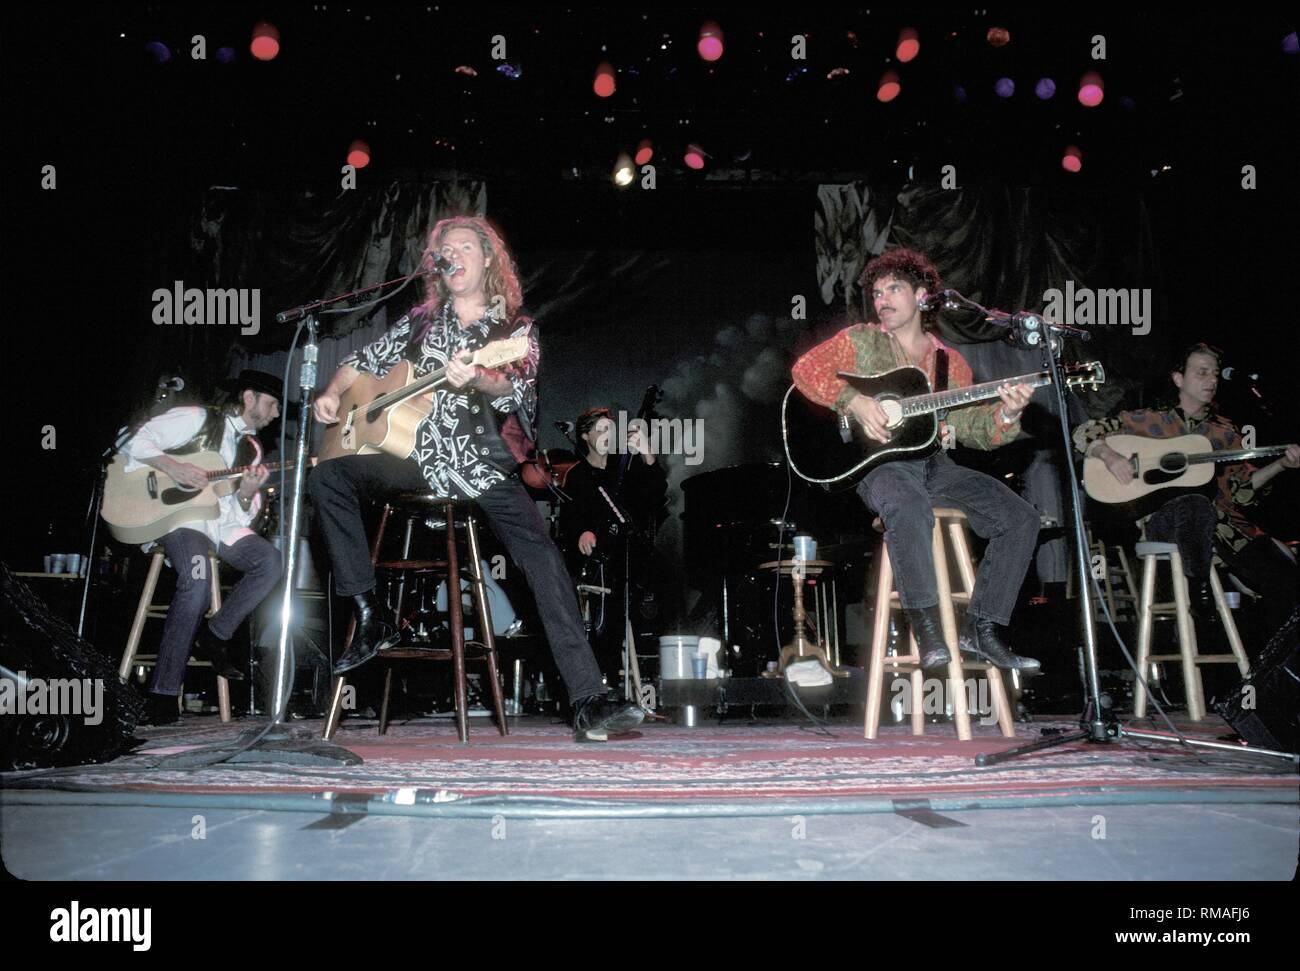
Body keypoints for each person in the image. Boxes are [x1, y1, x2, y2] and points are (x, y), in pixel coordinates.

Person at [308, 215, 644, 742]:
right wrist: (332, 392)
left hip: (478, 463)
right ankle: (371, 612)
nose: (454, 253)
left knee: (541, 558)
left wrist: (481, 377)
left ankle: (588, 699)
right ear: (438, 266)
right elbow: (360, 360)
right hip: (415, 458)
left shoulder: (514, 331)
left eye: (465, 245)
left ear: (488, 260)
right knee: (327, 478)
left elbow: (514, 390)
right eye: (445, 247)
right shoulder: (422, 321)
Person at [791, 247, 1041, 671]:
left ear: (923, 296)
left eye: (893, 289)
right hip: (880, 467)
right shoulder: (860, 341)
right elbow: (806, 370)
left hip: (935, 466)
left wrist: (1008, 411)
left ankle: (982, 628)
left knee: (1020, 517)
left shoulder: (950, 363)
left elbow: (980, 429)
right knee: (908, 505)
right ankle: (927, 629)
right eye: (876, 292)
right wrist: (855, 401)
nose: (882, 300)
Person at [1074, 341, 1299, 637]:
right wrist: (1109, 455)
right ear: (1178, 379)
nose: (1211, 380)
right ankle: (1199, 594)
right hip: (1166, 523)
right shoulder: (1148, 421)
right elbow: (1084, 432)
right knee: (1193, 502)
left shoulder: (1225, 431)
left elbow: (1241, 492)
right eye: (1202, 372)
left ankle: (1277, 672)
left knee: (1287, 582)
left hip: (1226, 532)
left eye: (1215, 374)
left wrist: (1281, 465)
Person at [119, 370, 285, 724]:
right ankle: (163, 694)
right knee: (197, 575)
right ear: (249, 397)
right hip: (180, 519)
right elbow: (132, 439)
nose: (275, 414)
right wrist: (173, 467)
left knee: (269, 561)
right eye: (271, 404)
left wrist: (245, 493)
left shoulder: (252, 450)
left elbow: (240, 516)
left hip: (219, 526)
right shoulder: (197, 418)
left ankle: (215, 634)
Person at [559, 406, 668, 685]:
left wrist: (646, 451)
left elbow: (655, 491)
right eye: (601, 429)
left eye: (611, 429)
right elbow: (571, 516)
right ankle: (603, 674)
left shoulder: (624, 465)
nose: (608, 434)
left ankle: (646, 672)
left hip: (627, 552)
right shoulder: (578, 474)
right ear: (584, 436)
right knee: (605, 604)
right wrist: (582, 531)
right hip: (597, 558)